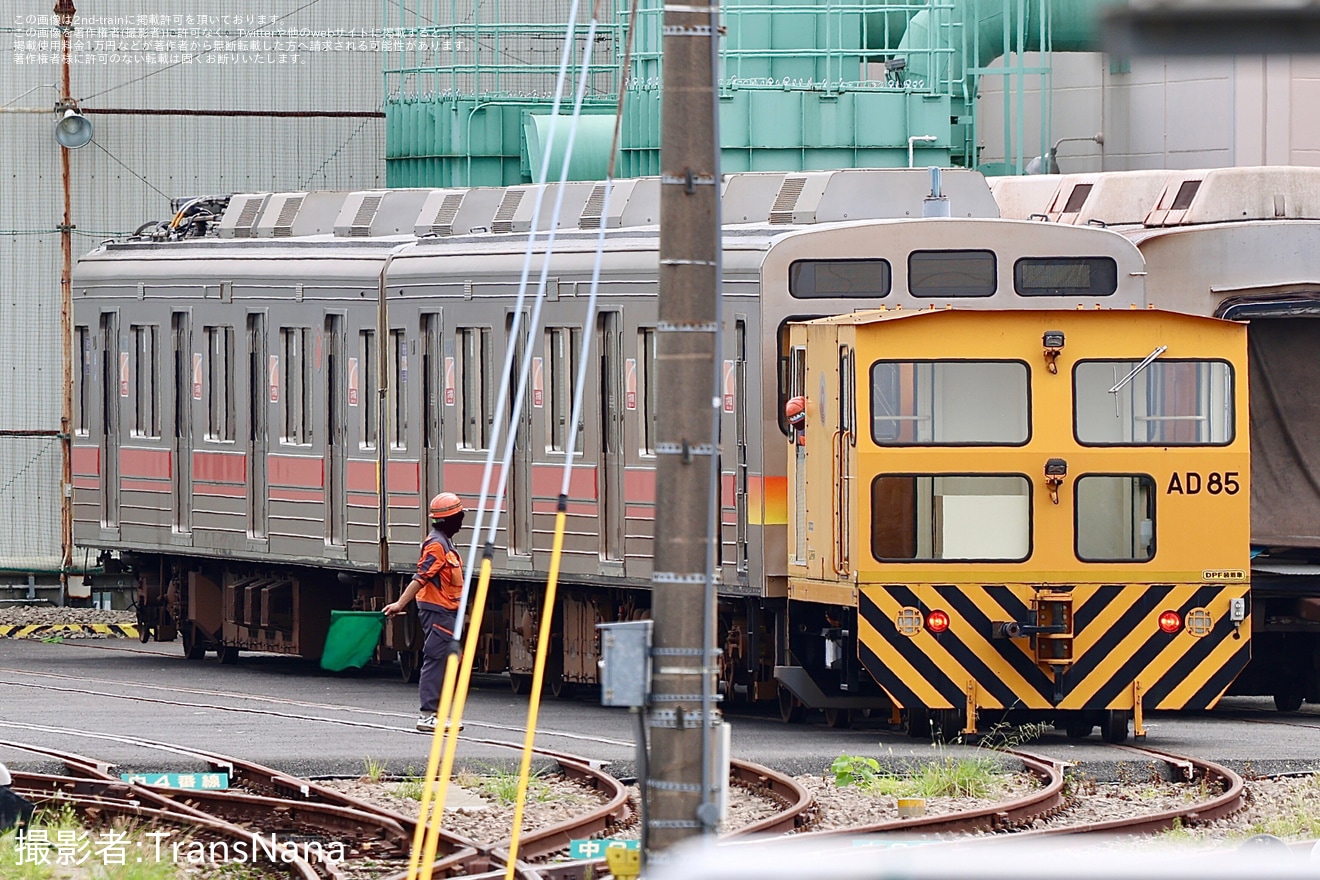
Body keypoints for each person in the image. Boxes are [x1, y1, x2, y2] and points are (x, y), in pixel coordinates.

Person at [384, 492, 466, 734]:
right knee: (436, 659)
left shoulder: (445, 542)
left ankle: (438, 714)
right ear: (450, 519)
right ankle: (428, 715)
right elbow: (421, 577)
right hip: (438, 611)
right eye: (459, 517)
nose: (462, 521)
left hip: (447, 611)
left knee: (448, 660)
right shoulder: (436, 545)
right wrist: (400, 604)